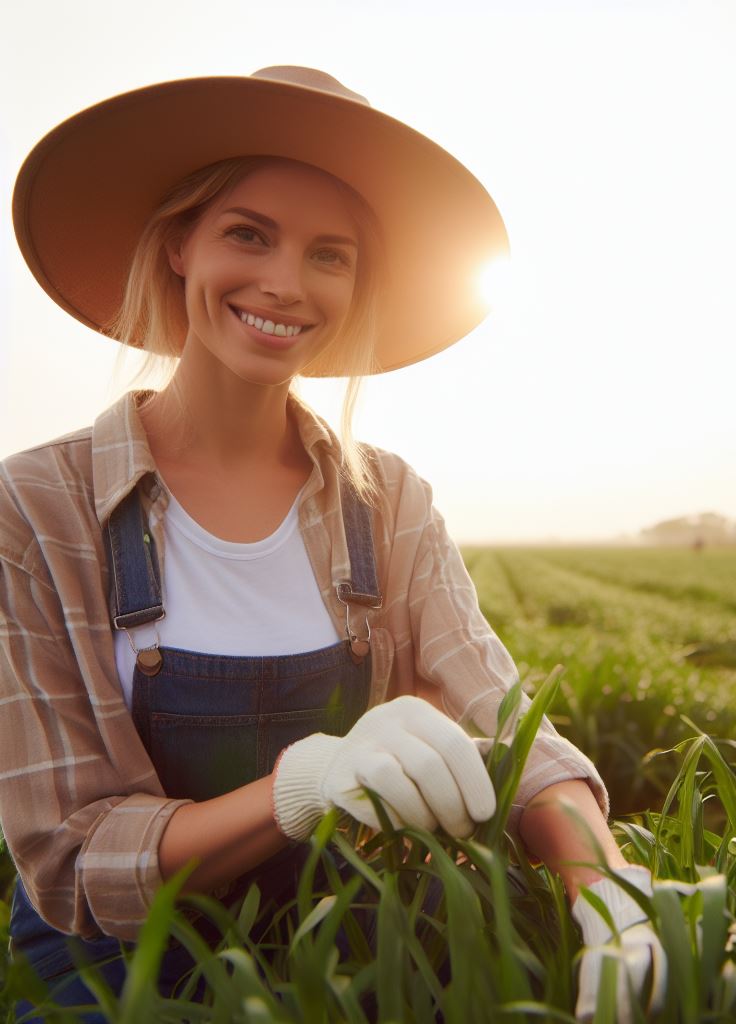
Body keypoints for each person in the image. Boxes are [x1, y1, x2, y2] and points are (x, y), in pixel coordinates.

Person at [1, 66, 666, 1021]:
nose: (285, 283)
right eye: (248, 234)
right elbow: (69, 861)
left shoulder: (386, 499)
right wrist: (299, 785)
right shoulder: (35, 508)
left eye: (331, 254)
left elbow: (511, 727)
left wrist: (606, 890)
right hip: (117, 966)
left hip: (347, 930)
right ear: (182, 243)